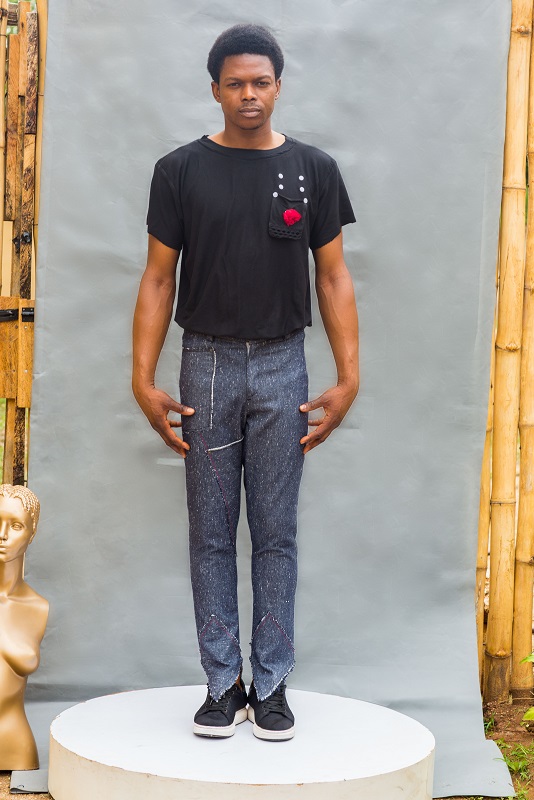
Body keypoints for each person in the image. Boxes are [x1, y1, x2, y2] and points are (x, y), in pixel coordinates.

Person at [132, 23, 359, 741]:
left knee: (275, 531)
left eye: (261, 82)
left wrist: (348, 377)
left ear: (278, 86)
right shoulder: (180, 171)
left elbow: (333, 276)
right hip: (205, 363)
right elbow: (158, 278)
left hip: (284, 364)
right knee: (209, 531)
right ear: (215, 90)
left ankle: (272, 684)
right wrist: (142, 379)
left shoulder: (313, 169)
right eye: (235, 83)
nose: (249, 94)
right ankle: (221, 683)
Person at [0, 484, 48, 769]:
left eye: (16, 525)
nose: (2, 534)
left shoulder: (37, 606)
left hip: (13, 738)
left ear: (32, 533)